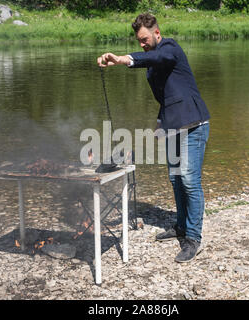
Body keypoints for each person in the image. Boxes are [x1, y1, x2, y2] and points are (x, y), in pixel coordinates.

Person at [97, 13, 210, 263]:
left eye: (145, 39)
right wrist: (160, 123)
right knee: (176, 179)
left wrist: (123, 59)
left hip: (194, 125)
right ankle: (181, 226)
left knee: (190, 181)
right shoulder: (153, 63)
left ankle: (193, 238)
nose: (142, 44)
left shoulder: (170, 48)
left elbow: (158, 56)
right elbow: (165, 96)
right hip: (172, 127)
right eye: (139, 41)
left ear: (157, 33)